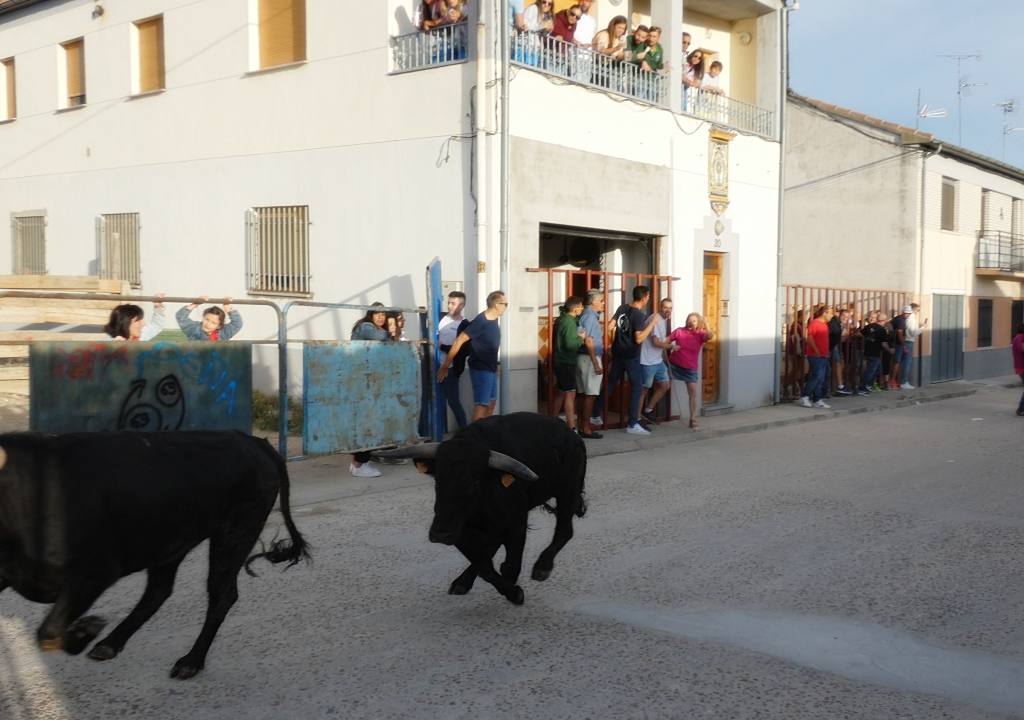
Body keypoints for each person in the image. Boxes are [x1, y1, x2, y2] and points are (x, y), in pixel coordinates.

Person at [438, 290, 508, 422]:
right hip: (481, 369)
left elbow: (490, 345)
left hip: (491, 369)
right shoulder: (480, 322)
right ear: (497, 305)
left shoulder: (494, 319)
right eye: (505, 304)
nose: (506, 307)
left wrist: (497, 364)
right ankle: (474, 437)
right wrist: (445, 366)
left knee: (491, 404)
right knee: (481, 406)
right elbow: (459, 341)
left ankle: (485, 435)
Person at [347, 302, 399, 478]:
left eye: (383, 315)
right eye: (377, 314)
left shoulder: (372, 328)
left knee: (369, 421)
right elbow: (384, 337)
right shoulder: (366, 327)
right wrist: (393, 325)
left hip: (370, 380)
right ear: (370, 314)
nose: (380, 317)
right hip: (363, 381)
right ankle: (359, 464)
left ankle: (360, 462)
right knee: (368, 422)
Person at [607, 285, 658, 435]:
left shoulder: (622, 308)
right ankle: (632, 423)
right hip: (630, 356)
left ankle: (596, 415)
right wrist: (651, 324)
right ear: (644, 297)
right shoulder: (639, 315)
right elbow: (639, 338)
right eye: (648, 296)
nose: (648, 299)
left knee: (610, 384)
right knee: (637, 387)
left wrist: (613, 343)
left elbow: (610, 326)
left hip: (617, 353)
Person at [667, 312, 713, 429]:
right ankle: (649, 410)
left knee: (692, 391)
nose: (690, 322)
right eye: (689, 319)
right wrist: (670, 346)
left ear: (697, 323)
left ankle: (693, 419)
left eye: (694, 320)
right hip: (674, 365)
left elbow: (710, 336)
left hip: (690, 368)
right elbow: (666, 340)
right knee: (662, 384)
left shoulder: (700, 334)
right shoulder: (679, 331)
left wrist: (707, 324)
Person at [575, 289, 605, 439]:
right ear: (593, 302)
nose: (603, 303)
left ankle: (581, 425)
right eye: (601, 300)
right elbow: (589, 340)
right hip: (589, 358)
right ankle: (585, 428)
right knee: (590, 395)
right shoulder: (590, 317)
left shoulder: (585, 315)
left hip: (583, 358)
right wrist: (596, 363)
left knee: (582, 394)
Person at [553, 296, 585, 433]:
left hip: (560, 361)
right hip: (566, 362)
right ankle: (572, 427)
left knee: (561, 392)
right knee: (570, 393)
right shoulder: (569, 322)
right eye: (581, 306)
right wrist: (581, 339)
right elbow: (571, 344)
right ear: (575, 308)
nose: (582, 309)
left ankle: (551, 421)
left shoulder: (564, 319)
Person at [639, 297, 674, 424]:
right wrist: (671, 346)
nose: (668, 310)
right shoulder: (656, 319)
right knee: (644, 389)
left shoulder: (663, 320)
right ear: (660, 307)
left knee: (665, 384)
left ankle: (648, 410)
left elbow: (659, 340)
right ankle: (637, 418)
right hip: (648, 361)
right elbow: (655, 342)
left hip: (657, 360)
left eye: (670, 308)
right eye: (665, 308)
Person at [437, 291, 468, 430]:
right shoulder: (441, 318)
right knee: (436, 399)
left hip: (451, 368)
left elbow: (462, 349)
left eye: (453, 303)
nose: (449, 306)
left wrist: (442, 346)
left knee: (453, 402)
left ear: (461, 305)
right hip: (436, 365)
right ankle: (438, 431)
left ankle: (465, 432)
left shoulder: (464, 324)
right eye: (449, 302)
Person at [796, 304, 830, 409]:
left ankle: (817, 399)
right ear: (824, 313)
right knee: (816, 377)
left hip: (823, 355)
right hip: (815, 355)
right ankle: (805, 396)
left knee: (821, 378)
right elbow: (809, 338)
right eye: (830, 313)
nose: (831, 316)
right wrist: (816, 351)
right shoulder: (815, 323)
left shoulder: (824, 325)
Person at [857, 313, 894, 395]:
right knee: (870, 371)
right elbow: (884, 344)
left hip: (868, 351)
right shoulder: (882, 330)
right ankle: (862, 387)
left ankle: (868, 385)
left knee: (877, 369)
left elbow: (859, 334)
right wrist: (890, 350)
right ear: (884, 321)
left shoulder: (870, 326)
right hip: (875, 353)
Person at [176, 297, 243, 341]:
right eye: (207, 319)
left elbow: (237, 323)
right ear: (203, 317)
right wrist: (195, 304)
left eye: (214, 323)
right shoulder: (194, 328)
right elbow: (181, 316)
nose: (208, 324)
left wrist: (228, 308)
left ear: (219, 326)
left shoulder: (224, 332)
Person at [900, 303, 928, 389]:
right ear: (913, 309)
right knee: (907, 363)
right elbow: (914, 333)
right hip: (908, 342)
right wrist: (923, 327)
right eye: (918, 310)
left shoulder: (909, 318)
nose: (918, 312)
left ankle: (903, 381)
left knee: (904, 362)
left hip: (906, 341)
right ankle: (904, 382)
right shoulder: (912, 319)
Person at [829, 306, 852, 396]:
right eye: (843, 316)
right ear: (839, 315)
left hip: (837, 346)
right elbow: (835, 337)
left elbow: (842, 339)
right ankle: (840, 386)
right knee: (837, 363)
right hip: (832, 346)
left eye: (847, 317)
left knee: (840, 364)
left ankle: (837, 386)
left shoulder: (841, 324)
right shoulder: (835, 323)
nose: (845, 318)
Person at [785, 308, 805, 399]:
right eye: (803, 316)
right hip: (796, 352)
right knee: (797, 370)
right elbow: (795, 339)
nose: (804, 318)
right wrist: (799, 351)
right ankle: (789, 385)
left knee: (797, 370)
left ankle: (792, 386)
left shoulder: (798, 325)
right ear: (800, 317)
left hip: (796, 351)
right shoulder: (796, 326)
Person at [890, 306, 909, 390]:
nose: (908, 315)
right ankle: (892, 381)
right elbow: (900, 334)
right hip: (897, 344)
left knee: (895, 362)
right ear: (904, 313)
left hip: (894, 343)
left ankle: (893, 380)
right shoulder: (901, 320)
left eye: (909, 313)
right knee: (896, 362)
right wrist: (904, 345)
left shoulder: (898, 318)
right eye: (907, 313)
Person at [1013, 322, 1024, 416]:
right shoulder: (1020, 337)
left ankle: (1020, 409)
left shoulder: (1017, 337)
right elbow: (1021, 349)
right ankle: (1020, 409)